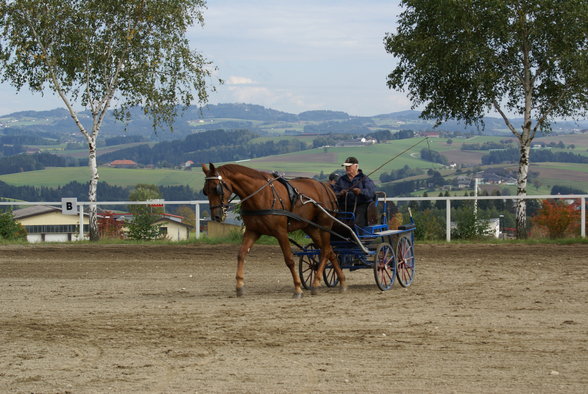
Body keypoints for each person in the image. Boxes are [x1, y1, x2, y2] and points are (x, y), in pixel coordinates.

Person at [333, 156, 376, 226]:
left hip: (362, 206)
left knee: (355, 223)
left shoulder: (365, 179)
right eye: (346, 166)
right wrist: (340, 193)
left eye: (349, 166)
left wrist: (360, 192)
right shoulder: (341, 180)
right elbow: (334, 193)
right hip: (344, 207)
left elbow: (371, 193)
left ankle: (356, 234)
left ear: (356, 166)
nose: (347, 168)